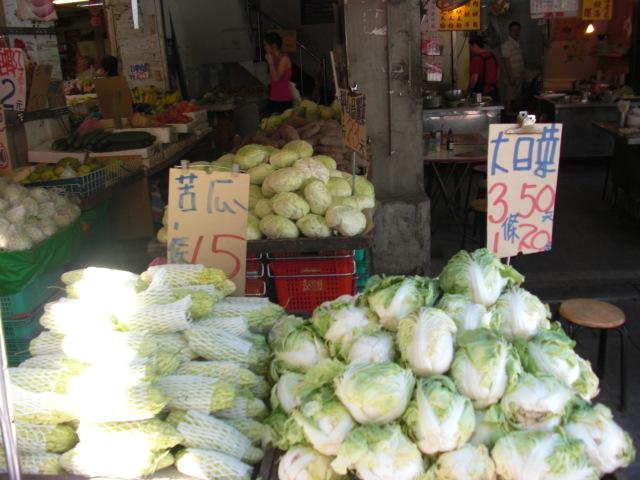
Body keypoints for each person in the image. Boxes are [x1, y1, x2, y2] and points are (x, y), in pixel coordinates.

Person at [263, 32, 293, 114]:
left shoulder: (284, 59)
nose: (264, 48)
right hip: (273, 98)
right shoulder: (272, 58)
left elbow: (276, 78)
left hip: (284, 100)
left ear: (274, 46)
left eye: (265, 45)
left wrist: (270, 63)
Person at [501, 21, 524, 113]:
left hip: (519, 74)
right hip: (511, 74)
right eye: (513, 30)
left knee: (516, 94)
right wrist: (510, 76)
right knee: (510, 94)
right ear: (509, 31)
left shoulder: (518, 43)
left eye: (517, 30)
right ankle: (508, 112)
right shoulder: (507, 44)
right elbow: (506, 61)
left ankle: (513, 111)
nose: (516, 32)